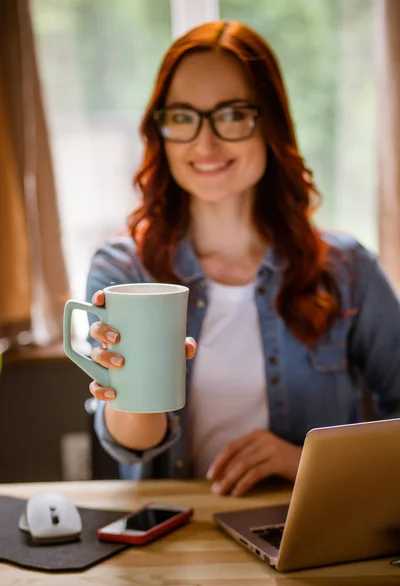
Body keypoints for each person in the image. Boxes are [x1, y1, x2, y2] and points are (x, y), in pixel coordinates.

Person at [86, 20, 400, 497]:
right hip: (173, 541)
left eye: (231, 114)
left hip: (310, 531)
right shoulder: (126, 271)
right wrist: (129, 387)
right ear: (161, 129)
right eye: (183, 116)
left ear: (269, 123)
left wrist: (303, 463)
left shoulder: (347, 270)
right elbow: (130, 447)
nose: (205, 143)